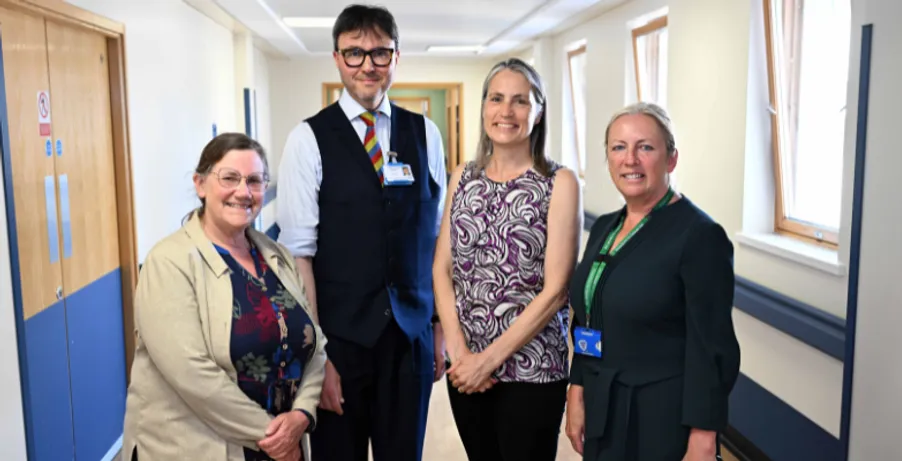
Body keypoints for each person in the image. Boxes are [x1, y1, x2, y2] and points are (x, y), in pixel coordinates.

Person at [275, 4, 447, 461]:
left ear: (396, 57)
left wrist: (439, 329)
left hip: (410, 341)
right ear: (336, 58)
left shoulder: (426, 134)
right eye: (354, 53)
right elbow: (299, 257)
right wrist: (316, 359)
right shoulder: (307, 140)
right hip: (341, 345)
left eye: (380, 53)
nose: (367, 65)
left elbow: (435, 244)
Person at [122, 133, 327, 461]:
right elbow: (191, 374)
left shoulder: (277, 256)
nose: (243, 192)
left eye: (254, 181)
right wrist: (273, 436)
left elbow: (315, 344)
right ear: (200, 184)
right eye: (229, 178)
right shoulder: (169, 262)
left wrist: (302, 413)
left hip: (278, 444)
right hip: (198, 448)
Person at [564, 102, 741, 461]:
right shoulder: (605, 228)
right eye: (618, 147)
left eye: (645, 147)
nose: (630, 159)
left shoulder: (699, 236)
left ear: (671, 159)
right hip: (603, 404)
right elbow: (589, 316)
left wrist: (704, 436)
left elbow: (711, 346)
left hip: (661, 415)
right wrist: (577, 385)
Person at [432, 58, 582, 461]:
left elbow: (556, 291)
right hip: (466, 371)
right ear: (484, 107)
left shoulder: (559, 182)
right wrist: (460, 354)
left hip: (532, 372)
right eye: (496, 98)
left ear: (539, 111)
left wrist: (488, 361)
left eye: (520, 101)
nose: (507, 111)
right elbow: (442, 269)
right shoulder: (462, 176)